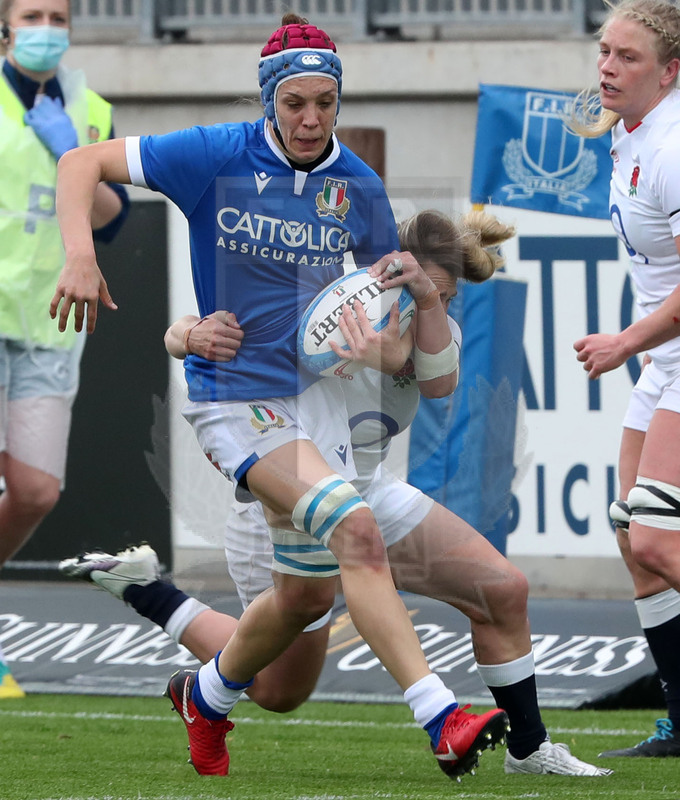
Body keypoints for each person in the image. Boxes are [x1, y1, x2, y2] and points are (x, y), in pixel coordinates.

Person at [49, 14, 512, 780]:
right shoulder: (210, 156)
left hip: (314, 419)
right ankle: (442, 714)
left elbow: (392, 321)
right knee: (356, 531)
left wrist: (394, 332)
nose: (310, 119)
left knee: (300, 607)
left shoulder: (356, 189)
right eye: (295, 102)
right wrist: (82, 258)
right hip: (236, 400)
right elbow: (78, 163)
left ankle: (205, 695)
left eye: (325, 103)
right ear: (269, 98)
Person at [61, 208, 610, 777]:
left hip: (368, 491)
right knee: (278, 688)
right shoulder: (328, 301)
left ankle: (529, 747)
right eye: (419, 290)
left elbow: (440, 382)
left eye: (442, 297)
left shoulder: (432, 322)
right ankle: (152, 595)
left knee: (503, 589)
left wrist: (416, 316)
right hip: (285, 506)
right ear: (380, 270)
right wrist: (185, 334)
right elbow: (192, 332)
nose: (432, 306)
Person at [0, 0, 129, 698]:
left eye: (56, 14)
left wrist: (67, 149)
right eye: (31, 14)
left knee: (35, 490)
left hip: (49, 320)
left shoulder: (92, 109)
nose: (44, 26)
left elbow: (113, 220)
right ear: (5, 26)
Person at [570, 0, 680, 759]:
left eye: (628, 56)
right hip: (663, 357)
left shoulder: (675, 144)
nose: (607, 66)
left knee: (658, 538)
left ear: (671, 72)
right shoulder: (630, 135)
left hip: (668, 351)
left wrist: (626, 342)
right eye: (605, 51)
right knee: (630, 533)